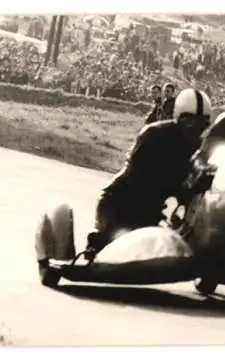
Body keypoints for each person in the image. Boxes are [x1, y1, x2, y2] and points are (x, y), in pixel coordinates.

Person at [83, 88, 213, 260]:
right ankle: (95, 243)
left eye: (202, 124)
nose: (195, 129)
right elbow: (137, 179)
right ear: (178, 118)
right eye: (190, 122)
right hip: (120, 203)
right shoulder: (154, 135)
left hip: (152, 211)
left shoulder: (203, 147)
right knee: (105, 242)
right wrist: (182, 188)